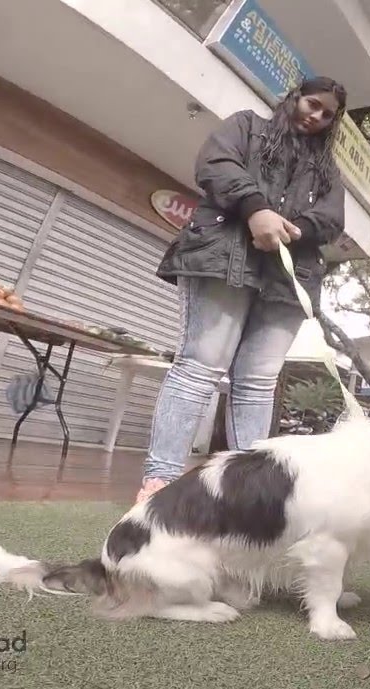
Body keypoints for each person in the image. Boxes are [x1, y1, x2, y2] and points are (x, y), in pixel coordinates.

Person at [138, 77, 348, 504]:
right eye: (313, 104)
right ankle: (160, 482)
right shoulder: (245, 127)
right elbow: (215, 165)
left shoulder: (327, 170)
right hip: (224, 257)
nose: (316, 116)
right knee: (200, 366)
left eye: (328, 114)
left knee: (258, 382)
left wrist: (294, 230)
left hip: (289, 278)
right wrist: (256, 209)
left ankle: (245, 496)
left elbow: (332, 219)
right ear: (294, 97)